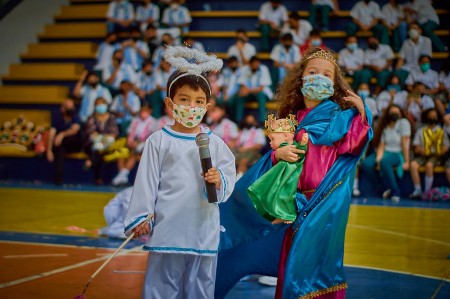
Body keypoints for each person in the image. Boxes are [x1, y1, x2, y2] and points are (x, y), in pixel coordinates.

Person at [215, 48, 372, 299]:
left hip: (325, 202)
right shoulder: (290, 120)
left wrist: (362, 112)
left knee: (317, 264)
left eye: (326, 75)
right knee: (292, 259)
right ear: (301, 78)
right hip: (292, 203)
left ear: (334, 83)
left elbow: (354, 145)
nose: (319, 77)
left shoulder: (340, 116)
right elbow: (273, 159)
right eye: (313, 72)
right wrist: (279, 155)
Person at [124, 46, 236, 299]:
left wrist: (220, 180)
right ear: (170, 103)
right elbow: (146, 182)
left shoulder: (215, 142)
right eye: (184, 100)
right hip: (168, 227)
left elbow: (229, 177)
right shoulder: (158, 141)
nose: (191, 107)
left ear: (207, 106)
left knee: (200, 286)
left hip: (203, 227)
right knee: (162, 286)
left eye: (198, 102)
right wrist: (141, 216)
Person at [248, 114, 308, 224]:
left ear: (285, 136)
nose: (270, 143)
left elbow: (301, 152)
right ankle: (277, 213)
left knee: (286, 195)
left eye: (272, 139)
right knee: (275, 195)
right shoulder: (278, 151)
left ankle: (287, 215)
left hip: (290, 177)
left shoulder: (291, 146)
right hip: (282, 177)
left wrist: (303, 144)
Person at [361, 104, 410, 201]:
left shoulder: (404, 123)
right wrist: (378, 160)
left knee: (385, 162)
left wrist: (407, 161)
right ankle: (382, 186)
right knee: (366, 164)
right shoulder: (386, 127)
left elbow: (405, 142)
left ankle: (395, 190)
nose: (394, 114)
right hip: (385, 152)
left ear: (400, 114)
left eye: (397, 112)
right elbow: (382, 146)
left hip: (397, 153)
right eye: (392, 112)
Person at [112, 104, 157, 186]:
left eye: (146, 110)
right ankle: (123, 178)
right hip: (132, 143)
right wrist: (130, 141)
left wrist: (139, 142)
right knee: (121, 154)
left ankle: (120, 177)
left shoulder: (153, 122)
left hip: (144, 144)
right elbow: (130, 132)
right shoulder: (135, 120)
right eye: (142, 110)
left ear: (150, 111)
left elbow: (153, 136)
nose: (143, 112)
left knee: (133, 154)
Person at [409, 108, 449, 199]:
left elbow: (446, 146)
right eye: (430, 115)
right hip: (423, 155)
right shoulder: (421, 130)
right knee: (413, 164)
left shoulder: (441, 131)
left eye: (434, 116)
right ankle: (417, 190)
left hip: (435, 156)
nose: (432, 117)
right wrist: (419, 150)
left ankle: (427, 191)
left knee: (429, 165)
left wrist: (442, 150)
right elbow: (416, 146)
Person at [82, 97, 119, 185]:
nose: (101, 106)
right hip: (94, 142)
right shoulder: (91, 118)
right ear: (95, 106)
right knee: (98, 147)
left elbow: (114, 132)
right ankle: (99, 178)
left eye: (102, 103)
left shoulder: (111, 117)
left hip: (108, 142)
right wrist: (101, 139)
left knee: (103, 147)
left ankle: (91, 161)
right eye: (98, 104)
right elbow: (91, 132)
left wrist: (104, 139)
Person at [46, 99, 82, 185]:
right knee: (60, 148)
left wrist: (62, 134)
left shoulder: (75, 116)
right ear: (63, 109)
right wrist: (49, 150)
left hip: (75, 144)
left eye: (72, 108)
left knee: (63, 141)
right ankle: (59, 178)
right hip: (61, 145)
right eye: (68, 108)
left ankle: (59, 178)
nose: (71, 110)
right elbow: (52, 133)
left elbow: (75, 130)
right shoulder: (57, 117)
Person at [235, 56, 273, 123]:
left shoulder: (263, 69)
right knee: (240, 96)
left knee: (260, 95)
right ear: (250, 64)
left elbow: (261, 88)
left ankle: (262, 120)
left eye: (257, 63)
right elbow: (242, 84)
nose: (256, 65)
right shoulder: (245, 69)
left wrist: (247, 91)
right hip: (251, 94)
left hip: (263, 93)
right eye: (254, 64)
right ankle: (239, 120)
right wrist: (243, 90)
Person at [234, 114, 267, 179]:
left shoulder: (258, 131)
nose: (249, 122)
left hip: (252, 151)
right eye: (247, 121)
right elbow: (237, 142)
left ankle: (239, 179)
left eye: (251, 121)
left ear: (255, 122)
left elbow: (259, 145)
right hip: (240, 150)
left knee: (243, 161)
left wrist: (246, 149)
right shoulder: (243, 131)